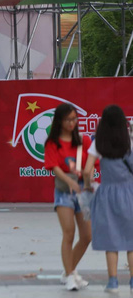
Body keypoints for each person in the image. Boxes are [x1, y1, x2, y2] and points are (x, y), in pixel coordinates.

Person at [83, 105, 133, 293]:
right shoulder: (129, 143)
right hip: (129, 194)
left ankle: (112, 282)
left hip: (107, 195)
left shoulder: (98, 144)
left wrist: (89, 185)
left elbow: (88, 171)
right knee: (131, 241)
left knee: (111, 240)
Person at [43, 103, 92, 291]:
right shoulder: (52, 143)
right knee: (69, 233)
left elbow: (91, 165)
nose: (73, 123)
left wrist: (88, 181)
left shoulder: (83, 141)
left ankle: (68, 270)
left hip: (82, 190)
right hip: (64, 191)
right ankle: (70, 275)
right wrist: (70, 182)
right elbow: (54, 167)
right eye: (68, 119)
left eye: (74, 119)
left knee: (87, 236)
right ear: (60, 121)